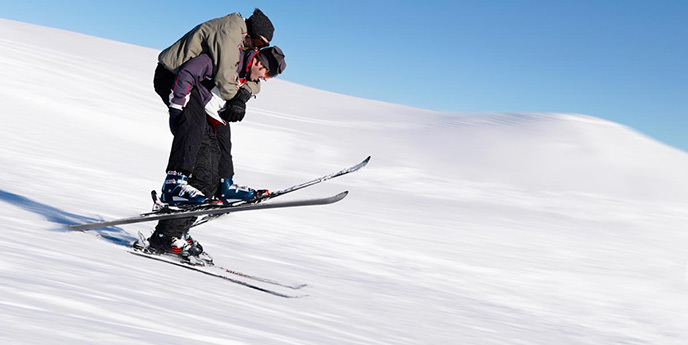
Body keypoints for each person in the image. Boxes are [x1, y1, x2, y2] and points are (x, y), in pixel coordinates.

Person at [143, 10, 287, 260]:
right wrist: (179, 109)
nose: (259, 47)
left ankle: (180, 227)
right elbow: (213, 75)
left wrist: (241, 97)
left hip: (199, 95)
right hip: (175, 77)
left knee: (213, 163)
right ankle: (170, 216)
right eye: (260, 43)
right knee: (201, 164)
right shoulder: (229, 35)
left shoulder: (244, 54)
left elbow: (251, 82)